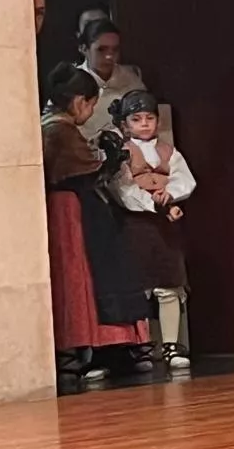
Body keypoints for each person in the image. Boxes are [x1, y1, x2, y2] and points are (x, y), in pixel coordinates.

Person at [41, 64, 151, 383]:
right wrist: (110, 155)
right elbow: (88, 169)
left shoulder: (51, 125)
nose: (90, 111)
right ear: (79, 102)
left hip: (71, 207)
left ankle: (88, 349)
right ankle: (97, 344)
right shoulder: (59, 130)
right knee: (86, 275)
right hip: (73, 211)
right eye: (90, 104)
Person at [109, 90, 197, 371]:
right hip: (135, 224)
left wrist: (169, 194)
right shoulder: (121, 152)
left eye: (149, 118)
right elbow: (122, 188)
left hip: (165, 226)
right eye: (136, 119)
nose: (144, 124)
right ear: (125, 124)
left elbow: (186, 180)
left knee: (169, 282)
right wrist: (152, 203)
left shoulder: (169, 151)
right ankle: (141, 346)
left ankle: (170, 343)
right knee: (139, 285)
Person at [76, 19, 147, 141]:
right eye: (101, 50)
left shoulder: (131, 80)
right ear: (84, 49)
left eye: (115, 50)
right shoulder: (70, 82)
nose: (109, 56)